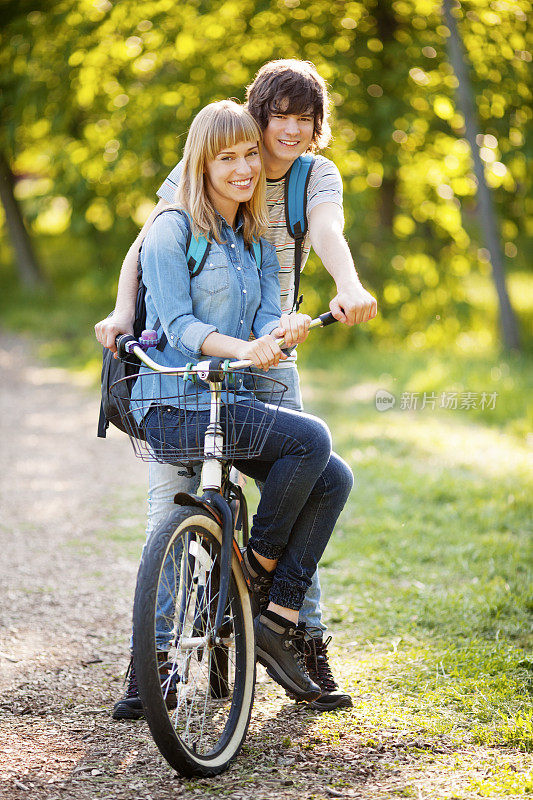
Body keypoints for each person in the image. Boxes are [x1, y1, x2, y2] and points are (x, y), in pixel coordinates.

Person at [96, 60, 376, 713]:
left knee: (325, 475)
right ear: (206, 161)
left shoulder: (261, 225)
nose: (282, 136)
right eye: (235, 153)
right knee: (173, 509)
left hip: (245, 379)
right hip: (183, 391)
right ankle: (158, 657)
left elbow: (315, 243)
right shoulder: (179, 222)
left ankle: (281, 624)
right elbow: (170, 305)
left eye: (303, 120)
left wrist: (278, 327)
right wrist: (121, 310)